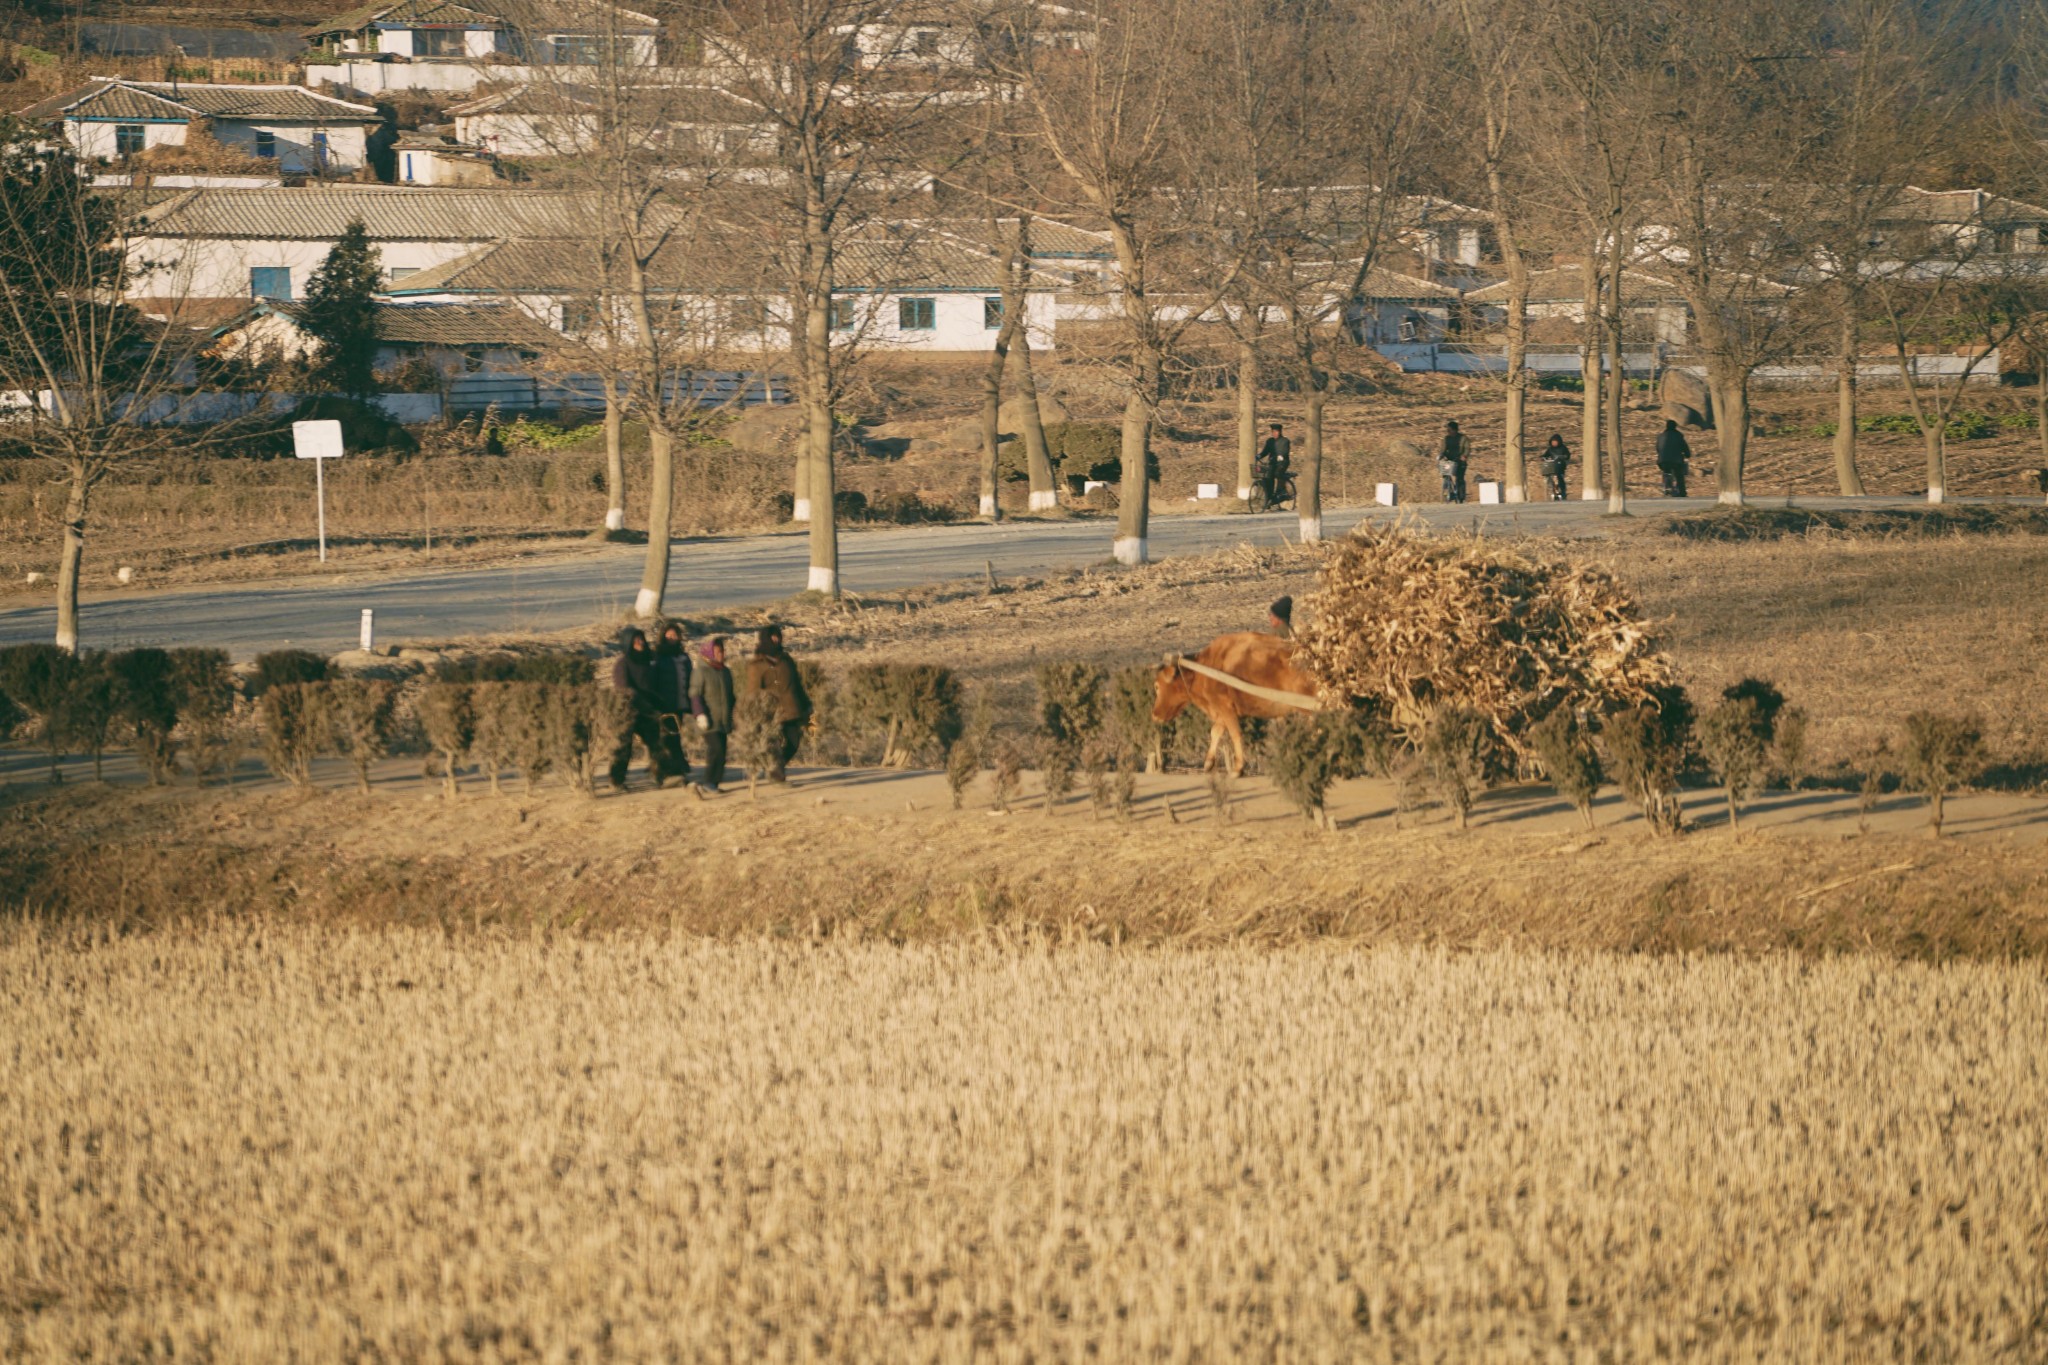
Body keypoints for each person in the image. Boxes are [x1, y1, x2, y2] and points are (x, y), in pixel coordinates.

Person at [743, 624, 812, 783]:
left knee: (793, 743)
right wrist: (753, 713)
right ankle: (776, 776)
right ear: (765, 639)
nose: (776, 639)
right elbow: (753, 692)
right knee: (772, 745)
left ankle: (773, 768)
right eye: (772, 636)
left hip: (791, 708)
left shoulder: (786, 660)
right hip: (770, 713)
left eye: (778, 636)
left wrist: (806, 704)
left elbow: (797, 684)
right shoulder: (757, 665)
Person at [607, 626, 673, 790]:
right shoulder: (623, 664)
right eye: (636, 640)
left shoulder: (649, 659)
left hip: (649, 712)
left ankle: (660, 776)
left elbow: (656, 684)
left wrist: (660, 704)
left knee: (656, 744)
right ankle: (616, 780)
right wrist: (642, 704)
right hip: (629, 712)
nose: (640, 642)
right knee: (624, 748)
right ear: (628, 643)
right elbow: (624, 689)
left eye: (641, 638)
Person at [688, 636, 734, 796]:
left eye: (723, 651)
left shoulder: (725, 672)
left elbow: (730, 696)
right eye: (719, 651)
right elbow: (695, 694)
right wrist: (700, 714)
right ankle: (708, 781)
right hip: (708, 720)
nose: (722, 654)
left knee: (721, 752)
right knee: (717, 749)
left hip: (723, 719)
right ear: (710, 652)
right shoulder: (701, 671)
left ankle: (713, 782)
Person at [650, 622, 692, 783]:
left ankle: (677, 769)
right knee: (665, 738)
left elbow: (689, 678)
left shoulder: (683, 657)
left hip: (679, 704)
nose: (672, 638)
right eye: (669, 635)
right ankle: (666, 772)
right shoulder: (658, 656)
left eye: (675, 635)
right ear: (663, 636)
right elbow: (653, 679)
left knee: (675, 736)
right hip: (663, 704)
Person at [1254, 422, 1292, 507]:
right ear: (1271, 432)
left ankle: (1281, 491)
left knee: (1278, 473)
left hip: (1283, 462)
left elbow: (1285, 451)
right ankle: (1269, 497)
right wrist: (1259, 455)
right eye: (1273, 432)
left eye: (1277, 431)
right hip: (1273, 462)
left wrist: (1281, 456)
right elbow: (1266, 451)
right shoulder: (1270, 441)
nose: (1275, 433)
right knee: (1268, 477)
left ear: (1280, 432)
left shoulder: (1285, 441)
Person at [1656, 419, 1692, 497]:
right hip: (1676, 461)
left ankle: (1667, 488)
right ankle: (1682, 492)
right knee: (1679, 474)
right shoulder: (1678, 436)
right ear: (1675, 427)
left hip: (1662, 461)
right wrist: (1688, 455)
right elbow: (1685, 448)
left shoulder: (1661, 436)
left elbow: (1658, 449)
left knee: (1666, 471)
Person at [1438, 420, 1469, 503]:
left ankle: (1461, 496)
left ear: (1455, 430)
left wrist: (1464, 456)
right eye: (1447, 430)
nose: (1448, 432)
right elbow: (1443, 449)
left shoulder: (1463, 438)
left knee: (1459, 478)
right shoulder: (1446, 439)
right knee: (1445, 475)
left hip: (1460, 461)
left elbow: (1467, 449)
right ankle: (1448, 491)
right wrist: (1441, 456)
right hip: (1449, 461)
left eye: (1449, 430)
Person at [1538, 434, 1572, 502]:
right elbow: (1546, 455)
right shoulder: (1550, 449)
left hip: (1560, 465)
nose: (1554, 443)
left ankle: (1562, 491)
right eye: (1553, 442)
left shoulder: (1563, 448)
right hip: (1552, 465)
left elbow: (1567, 455)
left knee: (1560, 477)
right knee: (1549, 475)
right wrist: (1542, 457)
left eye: (1555, 442)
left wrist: (1562, 457)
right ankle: (1551, 488)